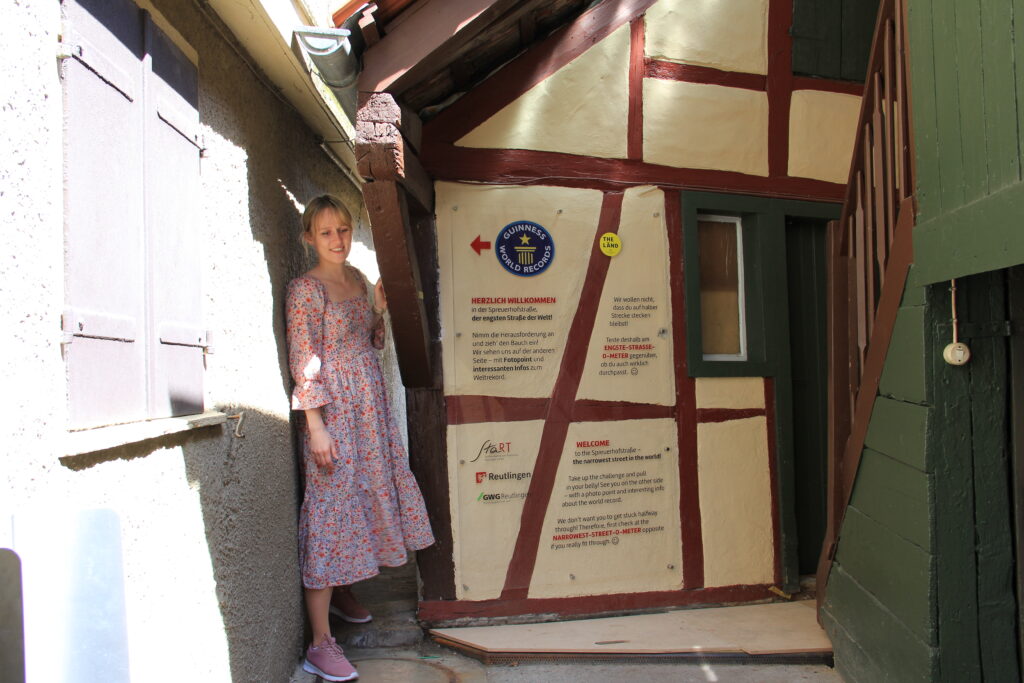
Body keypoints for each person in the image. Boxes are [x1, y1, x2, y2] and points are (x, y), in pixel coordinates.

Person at [286, 194, 435, 682]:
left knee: (363, 496)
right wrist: (316, 426)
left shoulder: (355, 279)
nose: (337, 240)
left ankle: (344, 592)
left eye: (344, 230)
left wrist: (376, 310)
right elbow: (305, 360)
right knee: (331, 510)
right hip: (335, 414)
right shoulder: (306, 291)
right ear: (310, 237)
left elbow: (370, 340)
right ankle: (319, 643)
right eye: (326, 232)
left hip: (369, 406)